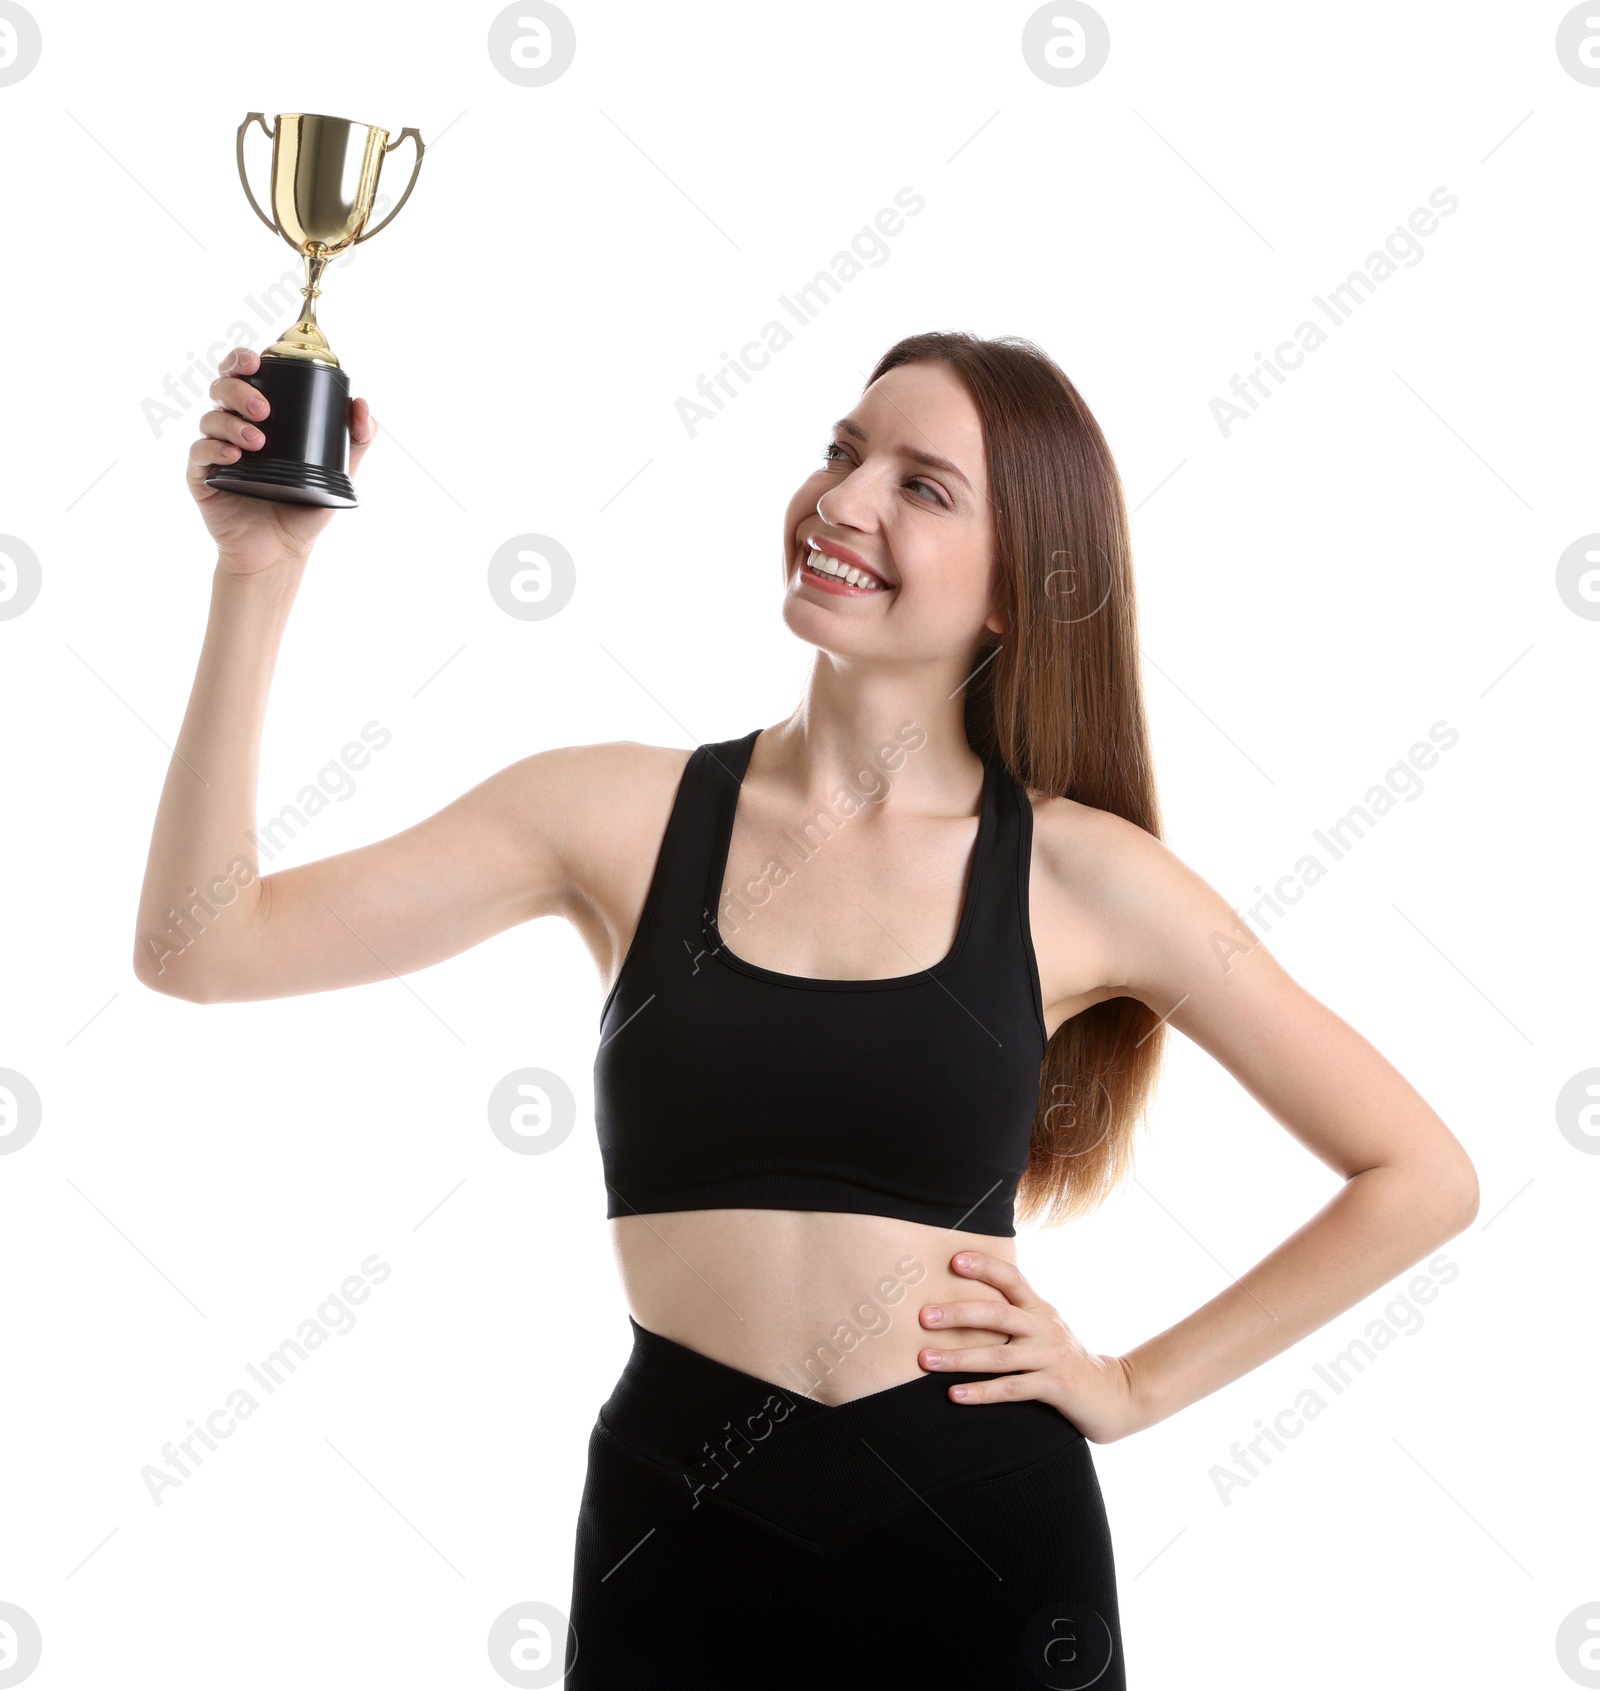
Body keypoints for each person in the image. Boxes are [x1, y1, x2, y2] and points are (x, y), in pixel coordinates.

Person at [136, 329, 1479, 1688]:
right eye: (843, 452)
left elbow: (1419, 1176)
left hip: (981, 1536)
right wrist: (259, 573)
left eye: (922, 485)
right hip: (680, 1530)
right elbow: (205, 948)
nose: (842, 501)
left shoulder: (1084, 875)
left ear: (1018, 589)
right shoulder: (610, 812)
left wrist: (1132, 1388)